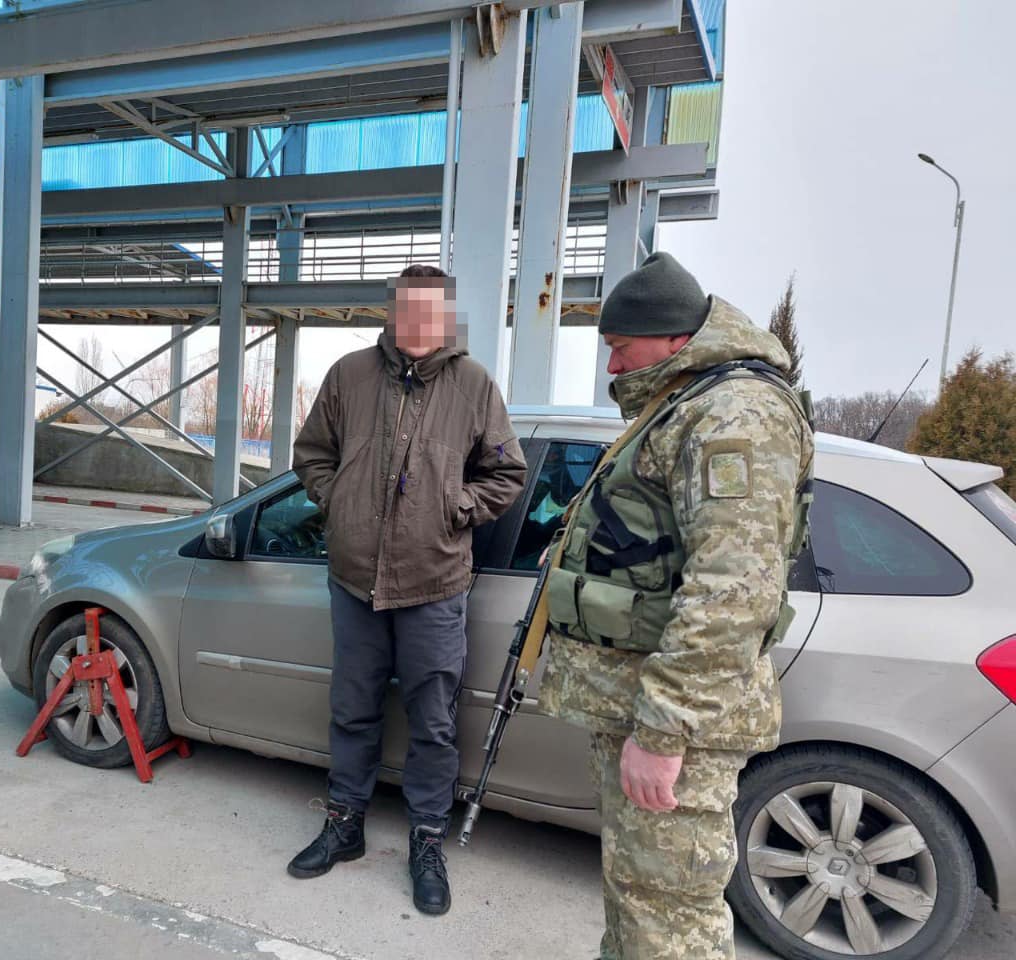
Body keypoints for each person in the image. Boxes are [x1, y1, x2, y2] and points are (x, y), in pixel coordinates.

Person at [538, 252, 814, 959]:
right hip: (645, 706)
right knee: (643, 903)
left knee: (669, 925)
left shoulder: (736, 415)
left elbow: (731, 593)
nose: (612, 366)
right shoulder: (691, 402)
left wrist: (664, 732)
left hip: (676, 724)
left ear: (670, 339)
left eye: (620, 348)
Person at [289, 263, 527, 915]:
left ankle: (426, 840)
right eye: (407, 309)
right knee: (353, 709)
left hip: (434, 585)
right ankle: (345, 825)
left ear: (447, 316)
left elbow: (508, 474)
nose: (419, 323)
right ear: (391, 311)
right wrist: (337, 498)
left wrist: (458, 505)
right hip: (355, 581)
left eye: (432, 311)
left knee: (433, 724)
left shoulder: (474, 385)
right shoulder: (349, 376)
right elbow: (311, 453)